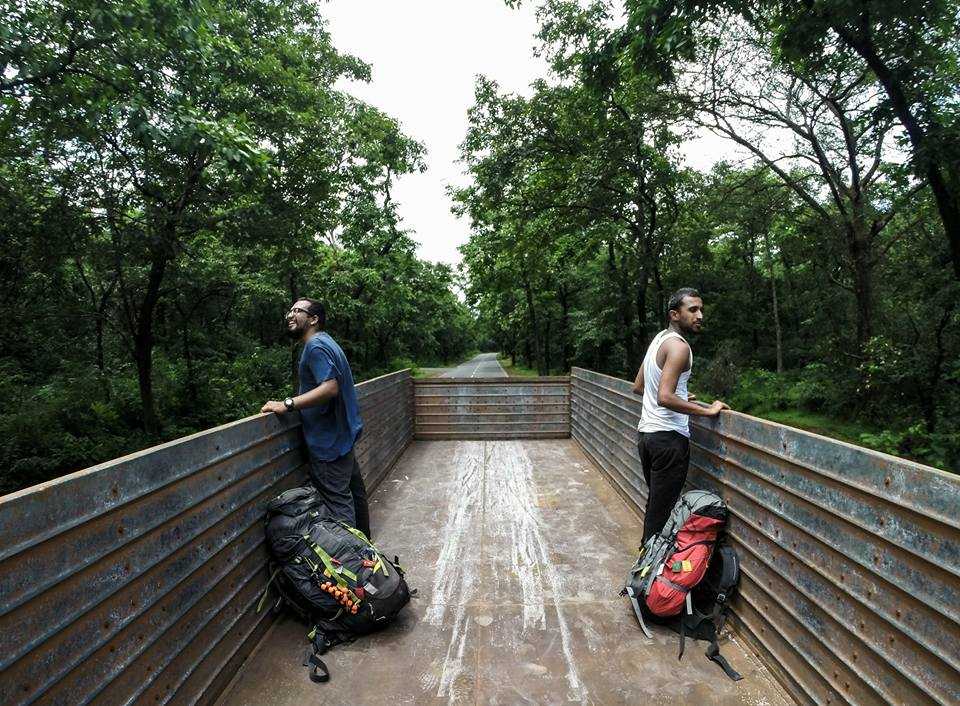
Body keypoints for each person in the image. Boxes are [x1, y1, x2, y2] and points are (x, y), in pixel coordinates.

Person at [261, 298, 370, 538]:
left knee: (338, 506)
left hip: (328, 443)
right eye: (289, 310)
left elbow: (329, 388)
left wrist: (287, 404)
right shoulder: (328, 342)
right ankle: (368, 557)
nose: (290, 315)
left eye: (297, 311)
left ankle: (354, 566)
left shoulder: (315, 347)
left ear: (313, 319)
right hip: (341, 438)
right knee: (355, 495)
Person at [632, 287, 729, 543]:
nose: (700, 316)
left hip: (647, 438)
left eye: (701, 310)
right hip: (668, 441)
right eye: (692, 310)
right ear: (675, 314)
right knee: (661, 514)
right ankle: (647, 573)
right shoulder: (679, 348)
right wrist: (707, 410)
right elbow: (665, 396)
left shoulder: (659, 340)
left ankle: (649, 566)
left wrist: (681, 397)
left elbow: (640, 386)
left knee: (656, 504)